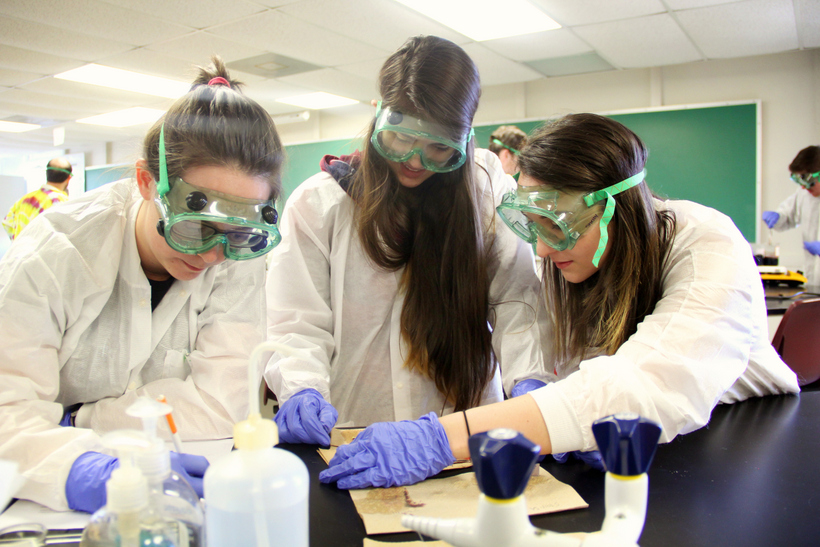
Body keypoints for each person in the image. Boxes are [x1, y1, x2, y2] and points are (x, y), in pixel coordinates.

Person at [318, 113, 800, 489]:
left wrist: (441, 438)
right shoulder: (574, 261)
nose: (543, 251)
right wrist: (551, 396)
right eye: (534, 226)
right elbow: (581, 378)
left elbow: (647, 384)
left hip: (744, 442)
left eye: (559, 227)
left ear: (615, 207)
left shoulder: (708, 246)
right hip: (654, 444)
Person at [0, 57, 285, 513]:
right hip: (46, 503)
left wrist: (79, 418)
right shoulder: (57, 253)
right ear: (146, 181)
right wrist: (76, 463)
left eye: (235, 233)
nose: (212, 256)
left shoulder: (238, 255)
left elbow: (223, 401)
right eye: (194, 228)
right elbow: (5, 412)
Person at [264, 36, 548, 447]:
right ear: (379, 116)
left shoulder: (485, 192)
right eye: (401, 140)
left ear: (464, 141)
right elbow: (297, 323)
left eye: (438, 148)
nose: (415, 161)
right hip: (355, 431)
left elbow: (517, 302)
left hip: (463, 436)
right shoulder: (320, 203)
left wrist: (531, 379)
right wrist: (301, 386)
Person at [761, 145, 820, 285]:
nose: (804, 187)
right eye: (800, 181)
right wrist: (777, 217)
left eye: (809, 182)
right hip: (813, 283)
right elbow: (787, 216)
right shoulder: (804, 195)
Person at [2, 158, 73, 241]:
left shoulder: (25, 199)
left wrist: (17, 241)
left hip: (20, 252)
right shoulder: (62, 202)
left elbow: (7, 223)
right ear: (69, 177)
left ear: (47, 174)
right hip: (42, 253)